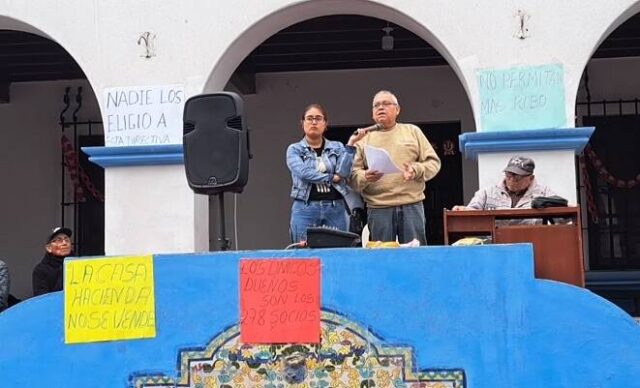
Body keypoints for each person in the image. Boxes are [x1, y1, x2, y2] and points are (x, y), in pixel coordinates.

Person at [350, 90, 441, 245]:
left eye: (386, 104)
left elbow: (434, 162)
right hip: (378, 208)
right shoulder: (363, 138)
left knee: (415, 257)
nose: (380, 108)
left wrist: (416, 170)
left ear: (397, 110)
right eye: (376, 105)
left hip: (411, 205)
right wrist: (365, 176)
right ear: (372, 113)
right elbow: (352, 177)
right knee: (382, 258)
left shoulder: (412, 131)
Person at [286, 104, 366, 244]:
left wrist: (351, 143)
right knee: (302, 251)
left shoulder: (337, 147)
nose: (314, 122)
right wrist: (330, 177)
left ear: (325, 124)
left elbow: (343, 173)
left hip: (335, 207)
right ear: (302, 123)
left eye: (318, 118)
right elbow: (304, 173)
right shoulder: (294, 149)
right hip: (305, 207)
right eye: (309, 118)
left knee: (337, 250)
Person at [452, 155, 557, 211]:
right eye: (508, 175)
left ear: (530, 178)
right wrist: (463, 210)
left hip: (532, 243)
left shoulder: (544, 193)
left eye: (517, 177)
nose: (511, 180)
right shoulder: (486, 193)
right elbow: (471, 214)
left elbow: (563, 218)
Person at [32, 227, 73, 296]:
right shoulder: (41, 270)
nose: (64, 243)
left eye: (67, 240)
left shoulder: (78, 263)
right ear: (49, 248)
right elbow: (42, 298)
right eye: (59, 240)